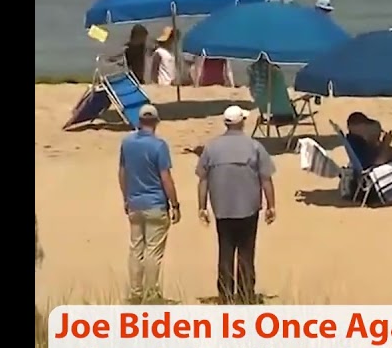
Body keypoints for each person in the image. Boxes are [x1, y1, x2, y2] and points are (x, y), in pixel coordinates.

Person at [196, 106, 277, 304]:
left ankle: (225, 295)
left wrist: (202, 207)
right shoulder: (254, 146)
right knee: (246, 252)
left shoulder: (211, 147)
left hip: (222, 208)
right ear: (242, 122)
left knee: (225, 250)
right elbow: (266, 179)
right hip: (248, 208)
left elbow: (203, 179)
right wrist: (271, 205)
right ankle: (245, 294)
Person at [119, 104, 181, 302]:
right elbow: (165, 177)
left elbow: (122, 173)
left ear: (139, 121)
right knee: (153, 251)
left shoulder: (127, 143)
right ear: (156, 121)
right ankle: (151, 293)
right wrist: (175, 204)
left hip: (135, 202)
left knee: (136, 250)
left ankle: (135, 293)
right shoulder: (159, 145)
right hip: (155, 203)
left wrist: (126, 197)